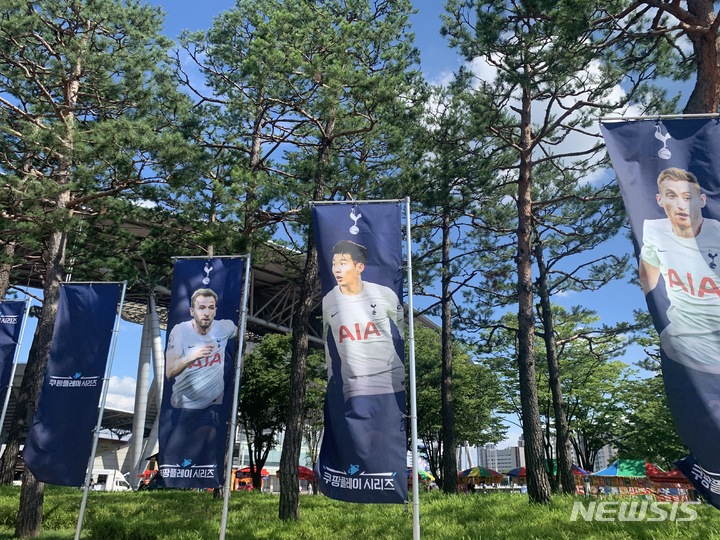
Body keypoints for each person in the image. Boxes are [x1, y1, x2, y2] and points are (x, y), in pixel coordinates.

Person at [639, 167, 720, 372]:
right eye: (671, 196)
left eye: (687, 197)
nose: (680, 205)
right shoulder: (654, 231)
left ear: (701, 200)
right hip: (683, 346)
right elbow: (647, 278)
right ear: (660, 200)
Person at [322, 240, 405, 399]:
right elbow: (325, 339)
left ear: (359, 267)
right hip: (354, 388)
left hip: (391, 384)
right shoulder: (329, 301)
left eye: (343, 263)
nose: (337, 269)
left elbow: (403, 332)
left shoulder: (384, 294)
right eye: (334, 264)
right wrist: (332, 373)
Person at [165, 288, 238, 409]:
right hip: (184, 407)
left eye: (211, 308)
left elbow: (241, 334)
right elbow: (169, 372)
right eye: (202, 307)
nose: (206, 313)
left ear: (215, 311)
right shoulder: (180, 331)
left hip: (214, 406)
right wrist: (193, 356)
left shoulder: (225, 327)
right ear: (192, 311)